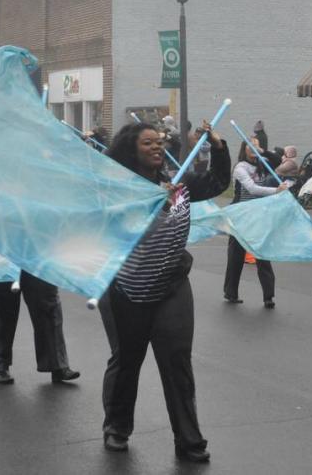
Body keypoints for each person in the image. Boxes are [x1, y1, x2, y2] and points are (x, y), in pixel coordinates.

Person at [97, 120, 229, 462]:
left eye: (159, 142)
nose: (157, 147)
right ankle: (117, 427)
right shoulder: (118, 189)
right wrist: (150, 202)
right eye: (147, 143)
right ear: (131, 150)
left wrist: (217, 146)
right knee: (128, 361)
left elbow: (217, 182)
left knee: (177, 363)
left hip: (172, 285)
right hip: (128, 288)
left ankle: (189, 440)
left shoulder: (178, 183)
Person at [0, 271, 80, 385]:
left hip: (36, 257)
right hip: (3, 257)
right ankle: (0, 365)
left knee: (48, 304)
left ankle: (58, 365)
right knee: (1, 308)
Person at [224, 139, 287, 307]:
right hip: (241, 215)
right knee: (236, 256)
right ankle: (230, 293)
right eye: (249, 146)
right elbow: (252, 189)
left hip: (258, 215)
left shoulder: (262, 163)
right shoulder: (240, 168)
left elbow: (278, 161)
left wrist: (263, 151)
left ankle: (268, 297)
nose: (253, 149)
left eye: (256, 145)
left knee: (262, 255)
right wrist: (276, 191)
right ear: (244, 149)